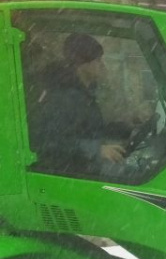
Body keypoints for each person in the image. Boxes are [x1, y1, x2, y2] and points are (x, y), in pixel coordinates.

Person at [29, 33, 128, 174]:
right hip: (70, 173)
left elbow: (90, 130)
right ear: (82, 63)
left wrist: (126, 128)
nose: (102, 65)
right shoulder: (63, 97)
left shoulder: (85, 93)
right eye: (98, 60)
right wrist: (96, 150)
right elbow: (51, 142)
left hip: (84, 168)